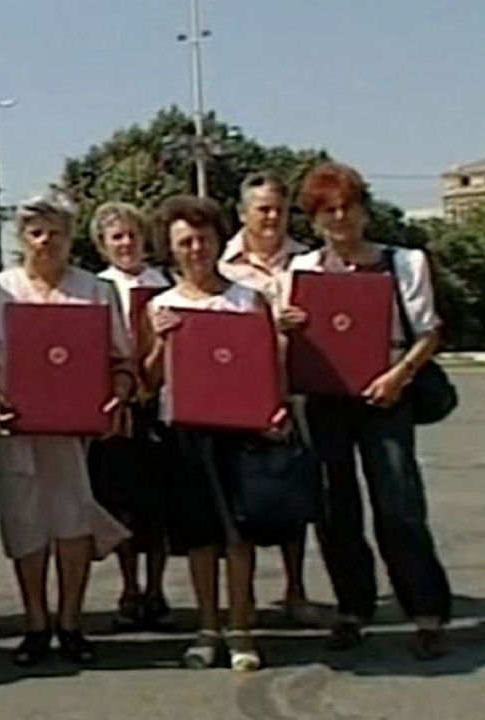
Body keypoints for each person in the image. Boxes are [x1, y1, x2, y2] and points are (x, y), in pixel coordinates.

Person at [285, 162, 453, 660]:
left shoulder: (404, 263)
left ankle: (426, 613)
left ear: (363, 211)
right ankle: (353, 609)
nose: (340, 219)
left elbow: (430, 332)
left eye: (347, 208)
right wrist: (287, 323)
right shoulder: (303, 270)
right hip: (326, 396)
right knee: (337, 511)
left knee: (399, 506)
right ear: (314, 221)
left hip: (387, 393)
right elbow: (295, 338)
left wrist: (398, 376)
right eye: (328, 211)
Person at [0, 194, 133, 666]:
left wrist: (116, 392)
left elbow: (120, 360)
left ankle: (71, 623)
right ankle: (36, 623)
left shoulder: (95, 290)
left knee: (73, 520)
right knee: (24, 523)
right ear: (20, 238)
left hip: (73, 432)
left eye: (55, 231)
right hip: (13, 427)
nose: (46, 241)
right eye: (36, 232)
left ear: (70, 236)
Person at [142, 195, 293, 672]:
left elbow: (269, 366)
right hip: (185, 432)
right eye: (184, 242)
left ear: (216, 241)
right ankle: (207, 628)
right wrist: (161, 342)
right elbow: (147, 381)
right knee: (200, 536)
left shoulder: (248, 299)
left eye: (203, 239)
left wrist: (275, 411)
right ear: (170, 249)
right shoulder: (159, 305)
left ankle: (242, 628)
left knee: (238, 535)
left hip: (240, 431)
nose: (195, 249)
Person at [218, 172, 319, 627]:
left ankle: (296, 590)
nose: (273, 217)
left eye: (279, 208)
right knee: (245, 501)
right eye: (262, 209)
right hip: (241, 399)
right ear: (243, 214)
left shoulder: (310, 263)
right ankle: (245, 602)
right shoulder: (223, 267)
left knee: (296, 495)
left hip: (300, 392)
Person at [87, 201, 174, 630]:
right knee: (119, 502)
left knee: (157, 506)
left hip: (161, 405)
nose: (126, 244)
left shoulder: (167, 285)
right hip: (115, 406)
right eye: (116, 237)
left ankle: (157, 588)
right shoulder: (95, 288)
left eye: (132, 235)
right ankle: (129, 587)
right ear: (103, 246)